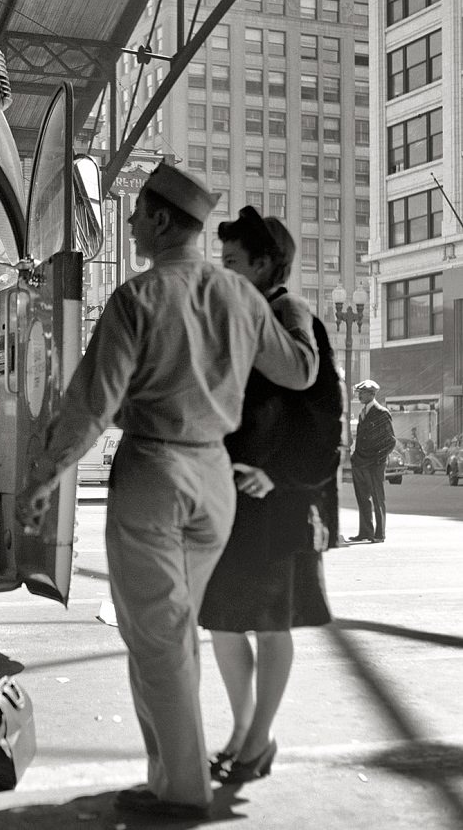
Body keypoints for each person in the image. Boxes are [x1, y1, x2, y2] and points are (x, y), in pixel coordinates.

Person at [16, 162, 318, 821]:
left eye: (134, 213)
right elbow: (299, 371)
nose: (128, 224)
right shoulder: (243, 297)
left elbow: (91, 404)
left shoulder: (138, 298)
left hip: (154, 475)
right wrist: (287, 304)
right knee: (168, 639)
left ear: (157, 220)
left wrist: (43, 479)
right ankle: (166, 776)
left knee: (159, 640)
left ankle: (183, 791)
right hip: (214, 481)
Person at [198, 207, 342, 785]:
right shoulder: (250, 313)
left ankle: (255, 739)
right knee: (229, 620)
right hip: (243, 496)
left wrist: (276, 473)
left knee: (267, 621)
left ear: (264, 264)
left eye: (232, 262)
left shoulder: (287, 311)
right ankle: (246, 733)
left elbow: (322, 409)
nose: (224, 271)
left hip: (278, 500)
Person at [348, 379, 396, 543]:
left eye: (362, 392)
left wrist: (378, 460)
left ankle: (379, 534)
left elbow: (391, 441)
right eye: (359, 392)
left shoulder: (381, 412)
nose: (359, 395)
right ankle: (365, 532)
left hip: (374, 464)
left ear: (372, 394)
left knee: (377, 498)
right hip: (360, 462)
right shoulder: (363, 412)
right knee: (363, 499)